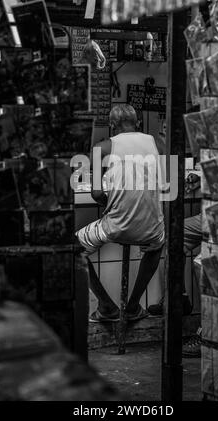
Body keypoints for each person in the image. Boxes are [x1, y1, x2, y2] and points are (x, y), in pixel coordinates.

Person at [76, 104, 165, 322]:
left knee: (72, 250)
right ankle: (133, 307)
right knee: (157, 245)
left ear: (112, 126)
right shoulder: (158, 143)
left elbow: (97, 194)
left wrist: (112, 203)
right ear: (139, 123)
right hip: (152, 228)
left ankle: (107, 307)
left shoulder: (101, 148)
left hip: (116, 227)